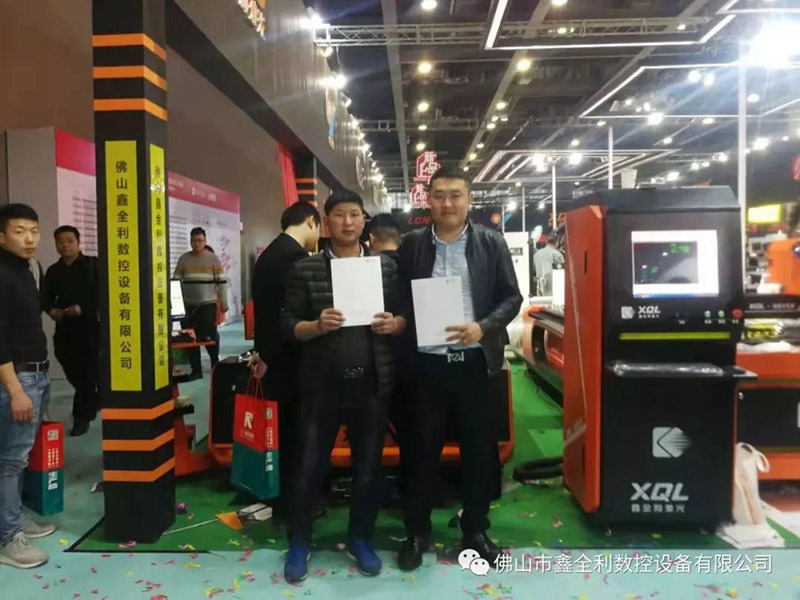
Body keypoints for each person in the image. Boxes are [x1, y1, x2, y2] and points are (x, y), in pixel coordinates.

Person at [397, 167, 522, 571]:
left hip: (473, 364)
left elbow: (512, 298)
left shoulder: (490, 242)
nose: (447, 203)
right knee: (420, 451)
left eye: (455, 195)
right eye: (439, 195)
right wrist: (400, 320)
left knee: (478, 452)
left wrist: (482, 327)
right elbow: (401, 296)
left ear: (469, 200)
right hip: (425, 364)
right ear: (428, 200)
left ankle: (475, 530)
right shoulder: (412, 245)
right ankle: (417, 531)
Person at [280, 190, 407, 583]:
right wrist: (316, 326)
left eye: (354, 214)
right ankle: (300, 541)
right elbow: (287, 325)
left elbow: (406, 314)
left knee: (368, 468)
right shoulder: (306, 269)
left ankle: (361, 538)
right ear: (326, 221)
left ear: (364, 219)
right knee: (310, 466)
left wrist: (395, 324)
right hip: (322, 384)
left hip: (372, 383)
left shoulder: (384, 268)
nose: (347, 222)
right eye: (339, 215)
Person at [248, 202, 321, 515]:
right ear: (311, 222)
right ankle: (294, 502)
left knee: (282, 431)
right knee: (295, 433)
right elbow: (291, 314)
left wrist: (261, 352)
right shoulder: (295, 259)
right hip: (291, 357)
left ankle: (283, 497)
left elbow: (264, 312)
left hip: (273, 355)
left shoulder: (269, 254)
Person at [0, 204, 57, 569]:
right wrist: (15, 390)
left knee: (17, 457)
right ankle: (8, 537)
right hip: (18, 378)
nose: (29, 238)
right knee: (10, 461)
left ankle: (13, 519)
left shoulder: (27, 269)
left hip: (37, 373)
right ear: (1, 236)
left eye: (34, 231)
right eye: (19, 231)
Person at [43, 226, 99, 437]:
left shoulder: (93, 265)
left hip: (91, 328)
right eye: (60, 242)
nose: (65, 245)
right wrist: (51, 310)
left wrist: (83, 309)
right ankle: (93, 398)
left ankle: (82, 417)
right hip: (65, 329)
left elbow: (104, 293)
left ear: (78, 242)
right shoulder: (53, 271)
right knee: (69, 365)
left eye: (69, 240)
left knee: (87, 373)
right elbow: (45, 297)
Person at [173, 227, 228, 379]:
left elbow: (222, 282)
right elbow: (176, 281)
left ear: (205, 241)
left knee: (209, 336)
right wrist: (176, 304)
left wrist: (224, 302)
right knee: (190, 339)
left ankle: (215, 364)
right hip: (188, 305)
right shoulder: (184, 259)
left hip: (207, 304)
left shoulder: (213, 259)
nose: (196, 244)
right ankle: (196, 370)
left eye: (199, 240)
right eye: (194, 241)